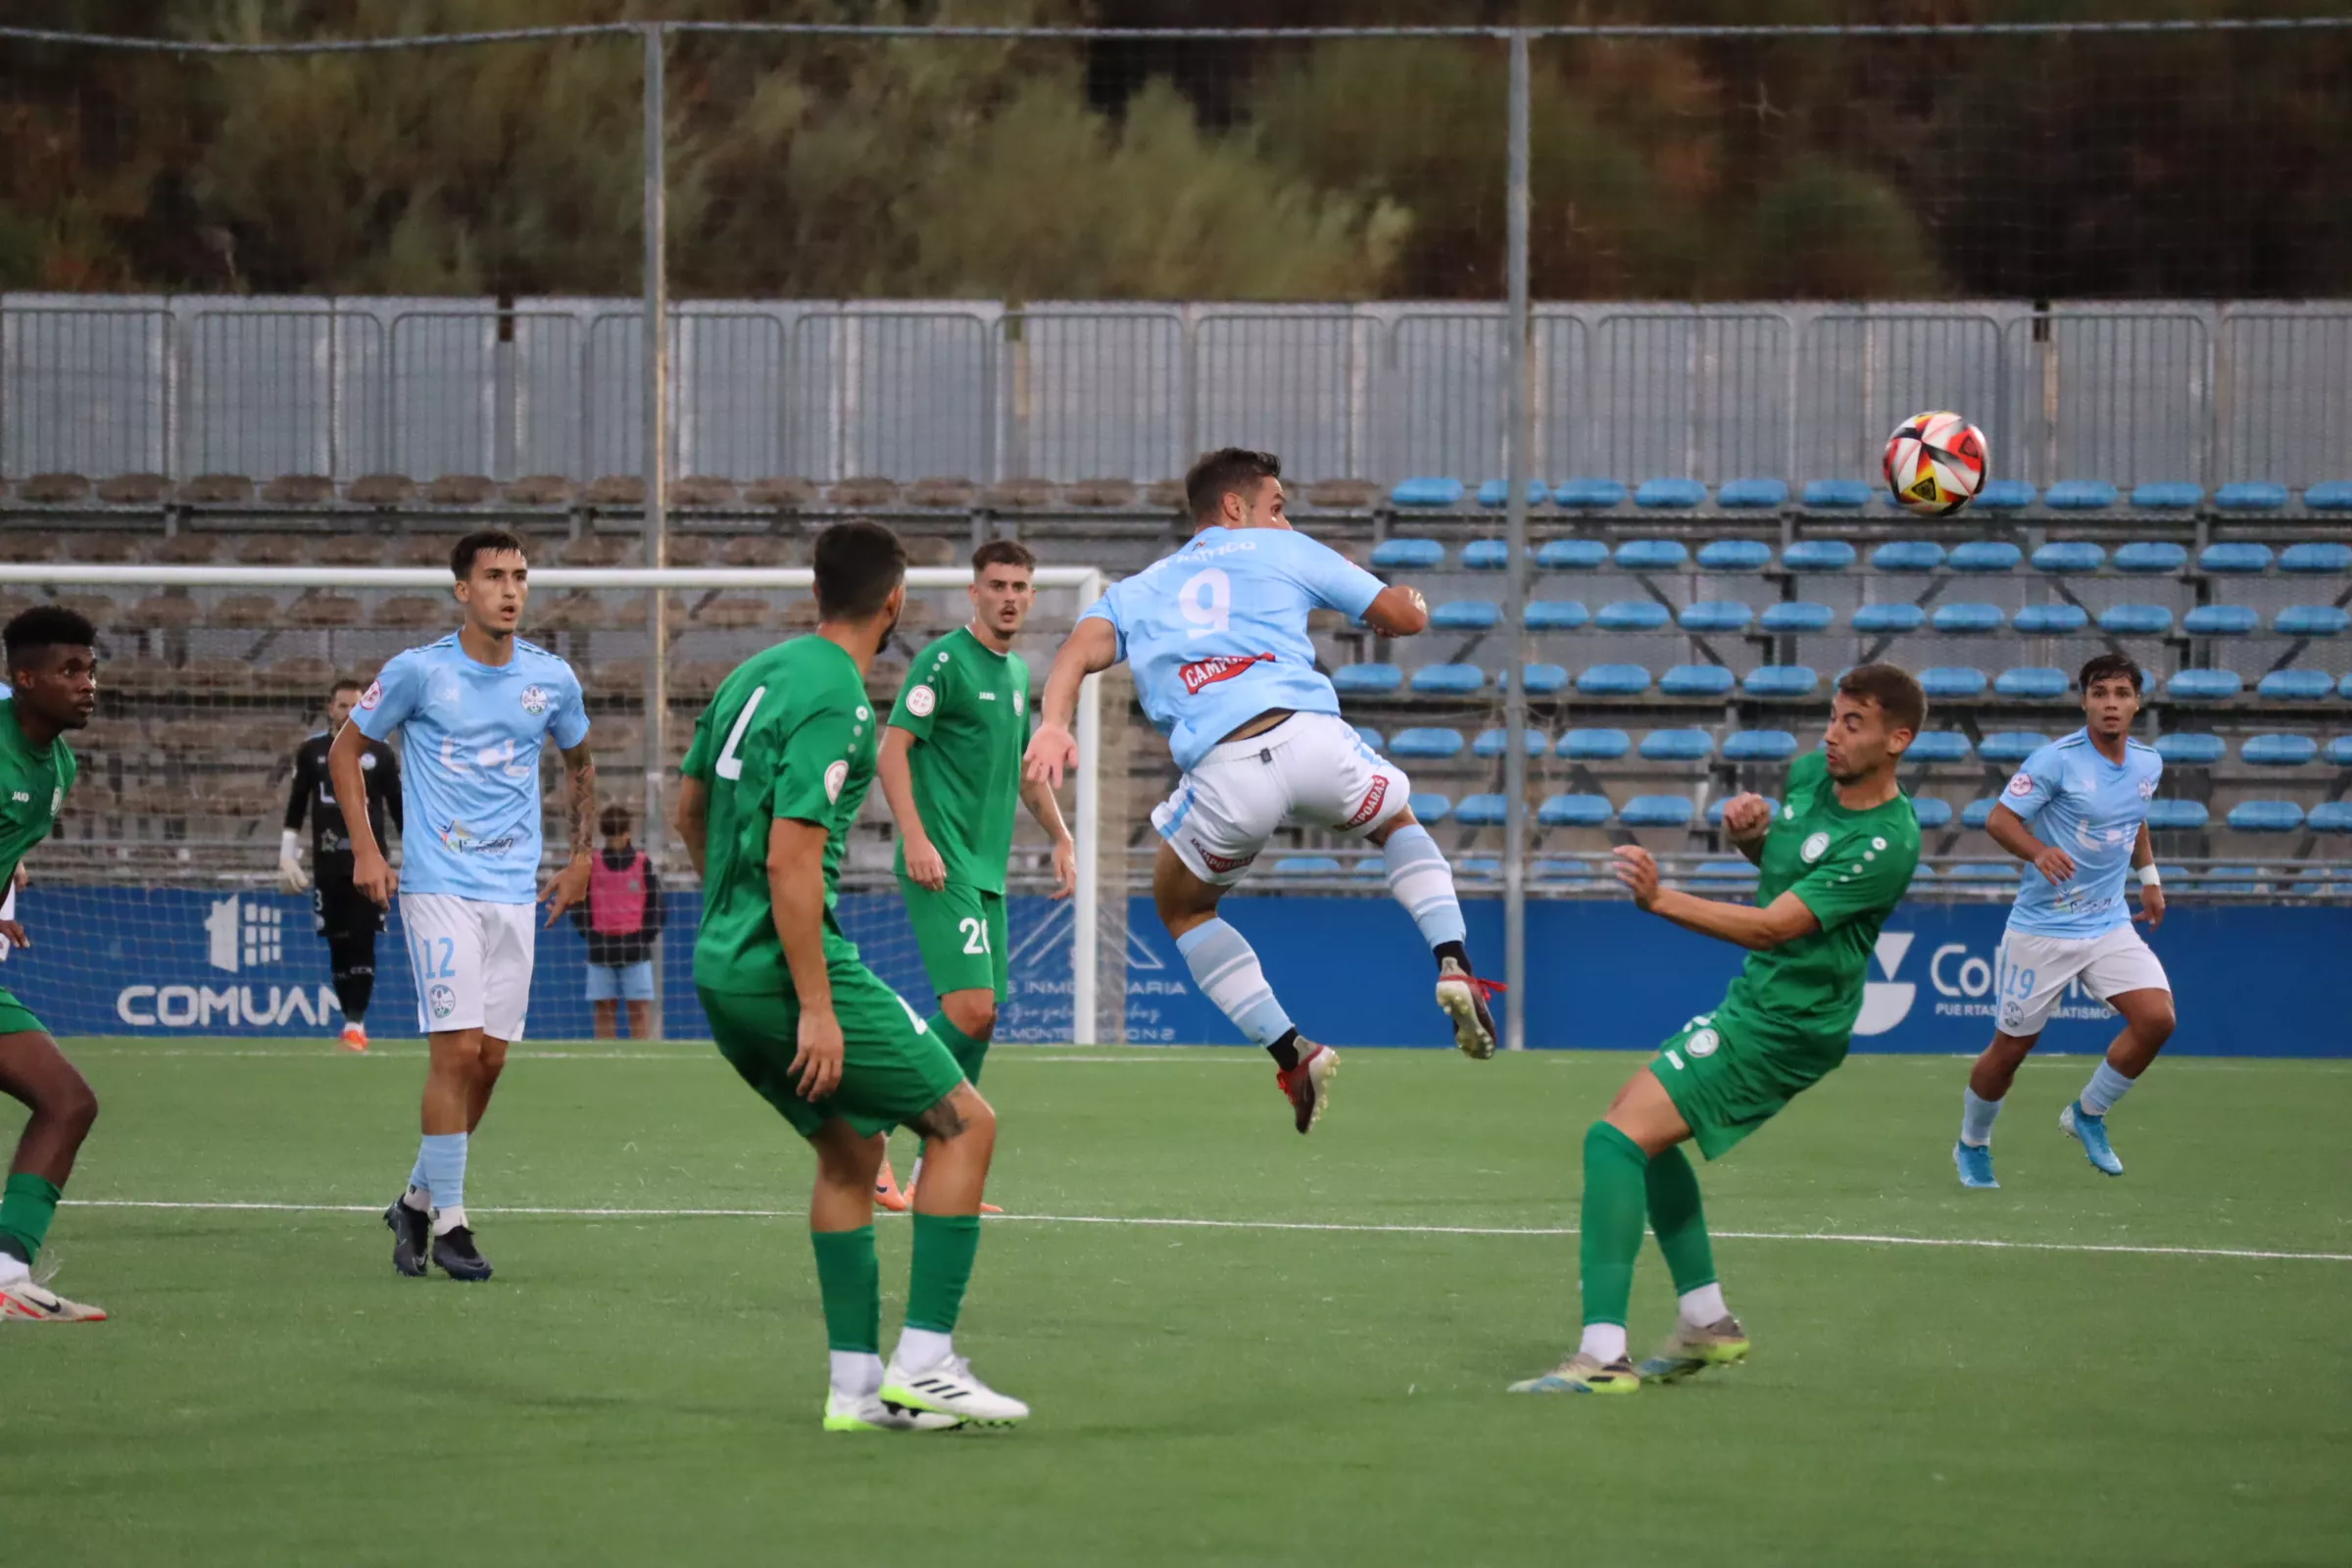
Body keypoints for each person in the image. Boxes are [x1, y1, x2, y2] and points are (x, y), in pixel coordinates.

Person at [1023, 447, 1497, 1135]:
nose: (1285, 517)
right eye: (1276, 505)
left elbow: (1075, 653)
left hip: (1226, 771)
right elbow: (1404, 616)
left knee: (1183, 909)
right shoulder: (1288, 551)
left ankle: (1292, 1052)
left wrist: (1054, 725)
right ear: (1236, 508)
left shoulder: (1137, 589)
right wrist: (1407, 602)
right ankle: (1454, 962)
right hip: (1313, 742)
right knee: (1397, 824)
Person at [674, 518, 1026, 1433]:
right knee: (965, 1127)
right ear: (897, 601)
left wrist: (729, 904)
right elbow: (794, 861)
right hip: (787, 974)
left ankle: (855, 1392)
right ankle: (928, 1361)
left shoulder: (757, 672)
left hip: (720, 967)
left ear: (814, 592)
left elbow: (690, 805)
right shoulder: (841, 699)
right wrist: (818, 1007)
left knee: (850, 1152)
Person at [1509, 665, 1923, 1396]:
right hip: (1760, 1005)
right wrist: (1752, 839)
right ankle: (1706, 1322)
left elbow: (1773, 928)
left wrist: (1660, 899)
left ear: (1899, 740)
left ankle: (1603, 1356)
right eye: (1832, 716)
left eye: (1852, 724)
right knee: (1637, 1135)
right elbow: (1786, 873)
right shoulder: (1807, 778)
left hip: (1790, 1024)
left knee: (1612, 1142)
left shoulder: (1890, 842)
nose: (1831, 735)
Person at [333, 529, 595, 1284]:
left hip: (515, 891)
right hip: (438, 887)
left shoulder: (552, 679)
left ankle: (415, 1200)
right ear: (462, 590)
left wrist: (581, 857)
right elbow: (348, 751)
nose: (510, 591)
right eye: (493, 578)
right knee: (454, 1052)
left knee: (490, 1061)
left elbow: (580, 760)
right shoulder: (418, 672)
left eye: (519, 577)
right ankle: (452, 1223)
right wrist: (368, 847)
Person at [871, 538, 1075, 1212]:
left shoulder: (1017, 675)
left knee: (982, 1021)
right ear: (975, 593)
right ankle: (868, 1121)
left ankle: (937, 1177)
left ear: (1032, 596)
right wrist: (917, 838)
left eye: (1020, 586)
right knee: (971, 1008)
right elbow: (891, 752)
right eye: (998, 585)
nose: (1010, 597)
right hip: (940, 863)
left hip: (983, 872)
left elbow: (1025, 770)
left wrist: (1060, 835)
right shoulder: (943, 663)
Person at [1954, 653, 2171, 1188]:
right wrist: (2038, 852)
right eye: (2100, 694)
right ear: (2085, 702)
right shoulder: (2055, 760)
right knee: (2009, 1051)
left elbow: (2133, 818)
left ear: (2137, 702)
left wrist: (2149, 877)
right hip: (2043, 929)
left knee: (2157, 1019)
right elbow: (2000, 819)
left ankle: (2087, 1113)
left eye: (2121, 693)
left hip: (2108, 924)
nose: (2111, 704)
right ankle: (1972, 1143)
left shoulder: (2148, 763)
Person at [0, 608, 105, 1321]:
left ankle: (6, 1275)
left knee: (68, 1102)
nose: (87, 683)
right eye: (70, 670)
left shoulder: (58, 764)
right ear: (23, 678)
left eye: (91, 669)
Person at [280, 678, 403, 1052]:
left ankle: (356, 1022)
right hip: (328, 862)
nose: (349, 712)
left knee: (363, 938)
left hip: (369, 863)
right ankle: (349, 1018)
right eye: (342, 706)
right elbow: (297, 805)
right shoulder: (311, 751)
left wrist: (412, 856)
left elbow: (399, 809)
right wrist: (287, 853)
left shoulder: (380, 753)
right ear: (329, 708)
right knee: (338, 942)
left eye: (356, 705)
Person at [572, 802, 664, 1040]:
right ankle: (606, 1059)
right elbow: (578, 903)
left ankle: (642, 1060)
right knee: (604, 1008)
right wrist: (591, 934)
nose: (615, 841)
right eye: (610, 836)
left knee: (639, 1009)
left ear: (628, 834)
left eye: (618, 835)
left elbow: (657, 905)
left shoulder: (643, 864)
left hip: (636, 949)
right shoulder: (593, 865)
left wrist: (645, 936)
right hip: (601, 949)